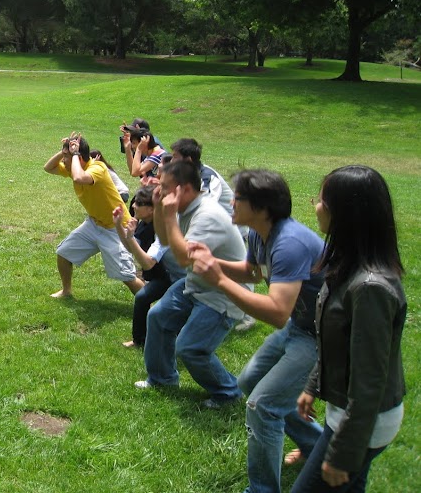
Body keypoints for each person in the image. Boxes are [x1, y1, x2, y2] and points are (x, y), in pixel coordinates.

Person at [188, 170, 325, 493]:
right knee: (249, 381)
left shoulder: (289, 243)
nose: (231, 203)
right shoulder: (259, 235)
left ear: (262, 208)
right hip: (300, 326)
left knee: (262, 405)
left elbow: (277, 312)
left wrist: (218, 280)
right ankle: (317, 445)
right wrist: (214, 263)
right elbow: (252, 272)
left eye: (238, 199)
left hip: (322, 336)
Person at [290, 166, 406, 493]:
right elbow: (337, 342)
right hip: (347, 415)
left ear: (343, 214)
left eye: (321, 200)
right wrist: (313, 385)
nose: (316, 206)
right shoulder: (347, 265)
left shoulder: (370, 288)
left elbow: (369, 381)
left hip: (362, 426)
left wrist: (344, 453)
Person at [136, 159, 248, 408]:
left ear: (184, 189)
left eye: (164, 186)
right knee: (158, 317)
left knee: (190, 348)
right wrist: (160, 209)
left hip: (223, 292)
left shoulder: (207, 215)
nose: (158, 189)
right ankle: (162, 379)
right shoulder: (184, 207)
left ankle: (229, 392)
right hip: (197, 281)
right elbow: (165, 239)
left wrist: (169, 216)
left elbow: (184, 258)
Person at [170, 137, 256, 332]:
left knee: (234, 268)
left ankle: (246, 314)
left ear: (188, 160)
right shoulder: (189, 176)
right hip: (212, 228)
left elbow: (206, 204)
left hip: (231, 229)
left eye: (175, 157)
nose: (171, 160)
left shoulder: (207, 177)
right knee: (213, 268)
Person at [43, 132, 142, 298]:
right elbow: (48, 168)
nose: (63, 161)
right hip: (94, 224)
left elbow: (79, 178)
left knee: (126, 276)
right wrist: (64, 151)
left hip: (117, 228)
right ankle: (66, 291)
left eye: (66, 157)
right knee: (64, 252)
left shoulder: (97, 168)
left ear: (79, 158)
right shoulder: (73, 167)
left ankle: (151, 306)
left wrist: (74, 153)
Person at [113, 185, 186, 347]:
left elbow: (147, 263)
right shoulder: (145, 223)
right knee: (142, 297)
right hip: (166, 275)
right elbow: (131, 248)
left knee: (165, 315)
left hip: (184, 279)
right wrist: (119, 226)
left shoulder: (164, 227)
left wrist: (130, 237)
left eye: (139, 203)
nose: (133, 206)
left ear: (152, 209)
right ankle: (139, 340)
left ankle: (181, 339)